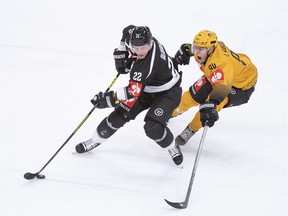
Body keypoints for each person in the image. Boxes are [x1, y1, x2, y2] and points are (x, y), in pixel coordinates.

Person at [75, 25, 184, 165]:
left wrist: (109, 99)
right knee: (118, 115)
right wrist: (122, 53)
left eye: (143, 48)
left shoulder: (146, 66)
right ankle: (94, 140)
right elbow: (127, 30)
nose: (139, 51)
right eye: (135, 48)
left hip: (168, 92)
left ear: (150, 43)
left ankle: (172, 147)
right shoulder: (137, 36)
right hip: (147, 87)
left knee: (153, 128)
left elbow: (132, 92)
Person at [172, 30, 258, 145]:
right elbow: (197, 49)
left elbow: (223, 87)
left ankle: (191, 129)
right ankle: (171, 112)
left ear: (211, 49)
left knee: (209, 108)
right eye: (195, 47)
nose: (196, 52)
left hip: (240, 87)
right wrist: (186, 50)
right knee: (190, 97)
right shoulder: (208, 50)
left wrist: (212, 102)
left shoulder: (220, 63)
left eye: (200, 49)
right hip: (218, 75)